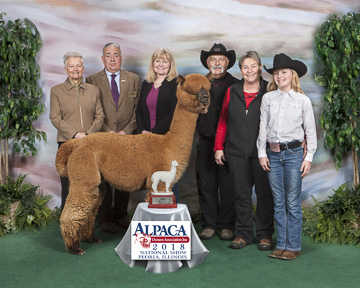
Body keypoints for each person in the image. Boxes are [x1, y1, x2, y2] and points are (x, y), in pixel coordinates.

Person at [257, 53, 317, 260]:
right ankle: (281, 244)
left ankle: (293, 246)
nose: (280, 76)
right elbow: (262, 128)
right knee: (278, 201)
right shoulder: (268, 99)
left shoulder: (303, 101)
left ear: (292, 75)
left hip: (293, 155)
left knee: (292, 201)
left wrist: (308, 157)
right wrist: (261, 153)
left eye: (284, 72)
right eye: (276, 73)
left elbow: (310, 132)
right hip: (273, 155)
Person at [214, 51, 274, 250]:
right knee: (241, 194)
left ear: (259, 67)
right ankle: (244, 234)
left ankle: (265, 235)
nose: (249, 71)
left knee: (265, 195)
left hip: (262, 154)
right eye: (245, 67)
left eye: (253, 66)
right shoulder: (233, 90)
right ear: (240, 70)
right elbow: (223, 120)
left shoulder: (269, 90)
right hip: (236, 151)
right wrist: (218, 147)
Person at [86, 43, 140, 233]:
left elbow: (137, 110)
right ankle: (105, 217)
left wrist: (126, 130)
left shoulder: (133, 79)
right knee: (105, 178)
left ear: (121, 58)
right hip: (104, 137)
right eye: (108, 55)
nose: (112, 59)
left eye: (115, 55)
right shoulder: (92, 80)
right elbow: (91, 111)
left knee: (125, 177)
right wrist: (107, 131)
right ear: (102, 59)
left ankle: (120, 215)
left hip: (127, 137)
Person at [50, 52, 104, 210]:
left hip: (90, 144)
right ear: (65, 69)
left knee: (90, 184)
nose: (75, 69)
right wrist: (76, 134)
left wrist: (87, 136)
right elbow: (55, 118)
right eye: (71, 66)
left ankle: (88, 227)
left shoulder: (93, 90)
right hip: (67, 144)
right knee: (68, 185)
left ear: (83, 68)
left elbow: (100, 116)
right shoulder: (56, 91)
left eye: (78, 66)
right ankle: (68, 227)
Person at [196, 43, 237, 240]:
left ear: (227, 63)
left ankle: (227, 224)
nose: (217, 63)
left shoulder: (236, 85)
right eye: (213, 60)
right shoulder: (198, 84)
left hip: (230, 143)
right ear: (207, 63)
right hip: (205, 141)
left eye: (221, 59)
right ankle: (210, 224)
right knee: (206, 184)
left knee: (228, 185)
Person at [135, 48, 179, 202]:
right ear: (152, 63)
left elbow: (174, 112)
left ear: (170, 64)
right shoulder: (147, 83)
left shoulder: (175, 83)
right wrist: (143, 131)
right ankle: (153, 210)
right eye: (158, 60)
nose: (161, 64)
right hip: (146, 137)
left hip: (166, 137)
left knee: (168, 175)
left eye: (165, 61)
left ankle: (170, 212)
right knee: (153, 176)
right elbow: (139, 110)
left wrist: (155, 132)